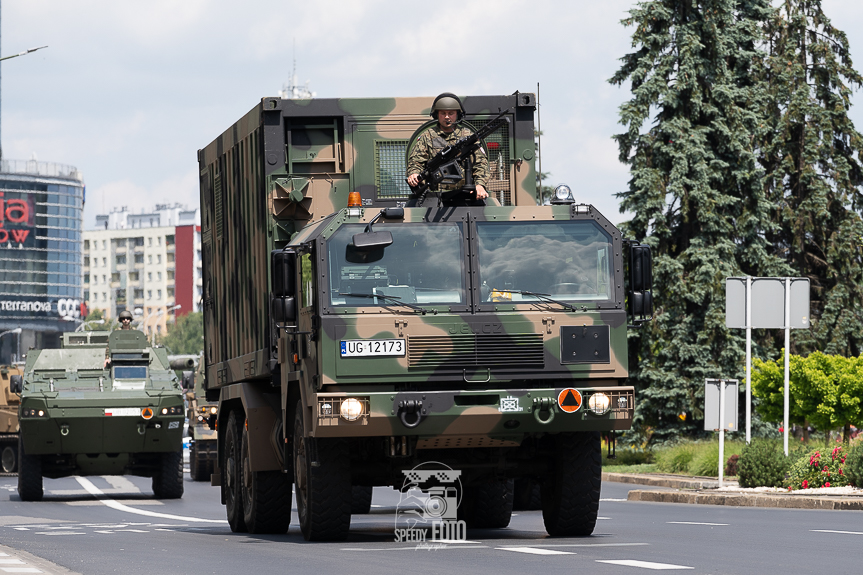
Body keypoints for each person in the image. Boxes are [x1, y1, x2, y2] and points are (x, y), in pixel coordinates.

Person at [406, 92, 490, 203]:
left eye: (451, 113)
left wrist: (480, 185)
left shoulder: (468, 136)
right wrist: (414, 173)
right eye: (443, 113)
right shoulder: (428, 137)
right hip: (435, 197)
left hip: (463, 195)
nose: (447, 117)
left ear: (457, 115)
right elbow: (415, 161)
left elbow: (481, 164)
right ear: (437, 114)